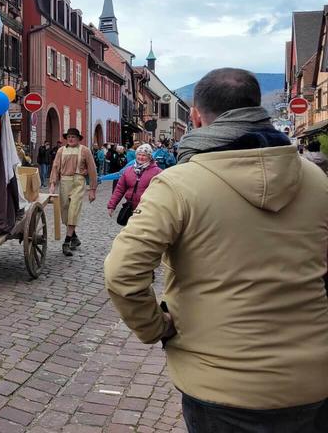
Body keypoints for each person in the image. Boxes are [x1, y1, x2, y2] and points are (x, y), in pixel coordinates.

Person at [104, 68, 328, 433]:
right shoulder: (316, 180)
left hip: (219, 381)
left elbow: (122, 273)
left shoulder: (177, 184)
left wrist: (156, 328)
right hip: (312, 377)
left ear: (194, 116)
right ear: (259, 109)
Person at [48, 128, 98, 257]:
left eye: (73, 137)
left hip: (78, 181)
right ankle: (74, 237)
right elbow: (55, 167)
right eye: (69, 136)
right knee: (64, 212)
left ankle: (67, 242)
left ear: (78, 139)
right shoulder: (61, 151)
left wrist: (92, 189)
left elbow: (92, 170)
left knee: (73, 210)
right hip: (64, 181)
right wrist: (53, 184)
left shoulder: (85, 150)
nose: (70, 139)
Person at [107, 144, 161, 218]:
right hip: (131, 208)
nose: (141, 157)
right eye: (139, 154)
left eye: (144, 155)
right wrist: (112, 205)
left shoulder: (157, 172)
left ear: (149, 157)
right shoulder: (128, 170)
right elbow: (119, 190)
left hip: (148, 210)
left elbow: (161, 192)